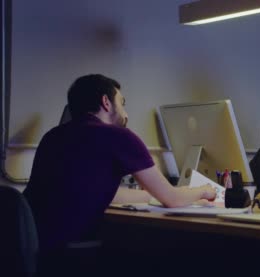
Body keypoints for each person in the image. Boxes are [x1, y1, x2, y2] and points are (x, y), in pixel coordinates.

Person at [24, 74, 216, 253]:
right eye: (122, 103)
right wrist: (204, 190)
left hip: (35, 250)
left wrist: (151, 196)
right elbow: (173, 199)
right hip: (71, 253)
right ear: (106, 102)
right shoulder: (119, 136)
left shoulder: (52, 137)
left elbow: (103, 194)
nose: (126, 113)